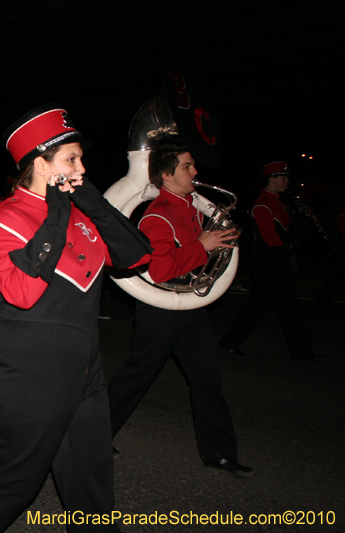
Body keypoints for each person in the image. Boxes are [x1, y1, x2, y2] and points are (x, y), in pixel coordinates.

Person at [0, 105, 152, 533]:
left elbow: (138, 256)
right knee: (15, 485)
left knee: (91, 489)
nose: (82, 167)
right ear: (41, 165)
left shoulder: (80, 214)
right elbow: (21, 291)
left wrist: (91, 200)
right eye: (71, 159)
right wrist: (57, 212)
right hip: (28, 375)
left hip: (85, 373)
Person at [106, 136, 252, 478]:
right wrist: (203, 246)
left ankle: (220, 454)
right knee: (135, 378)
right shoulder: (157, 216)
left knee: (207, 380)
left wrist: (218, 245)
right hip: (161, 311)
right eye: (187, 166)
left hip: (189, 307)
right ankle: (91, 437)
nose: (195, 171)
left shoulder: (189, 208)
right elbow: (159, 270)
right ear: (166, 176)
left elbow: (192, 257)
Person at [219, 162, 319, 360]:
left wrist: (303, 224)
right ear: (271, 179)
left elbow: (286, 235)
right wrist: (303, 227)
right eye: (283, 177)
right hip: (269, 262)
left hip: (276, 261)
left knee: (283, 308)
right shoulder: (263, 205)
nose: (287, 181)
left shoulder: (277, 202)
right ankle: (230, 341)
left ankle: (302, 353)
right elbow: (274, 241)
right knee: (263, 307)